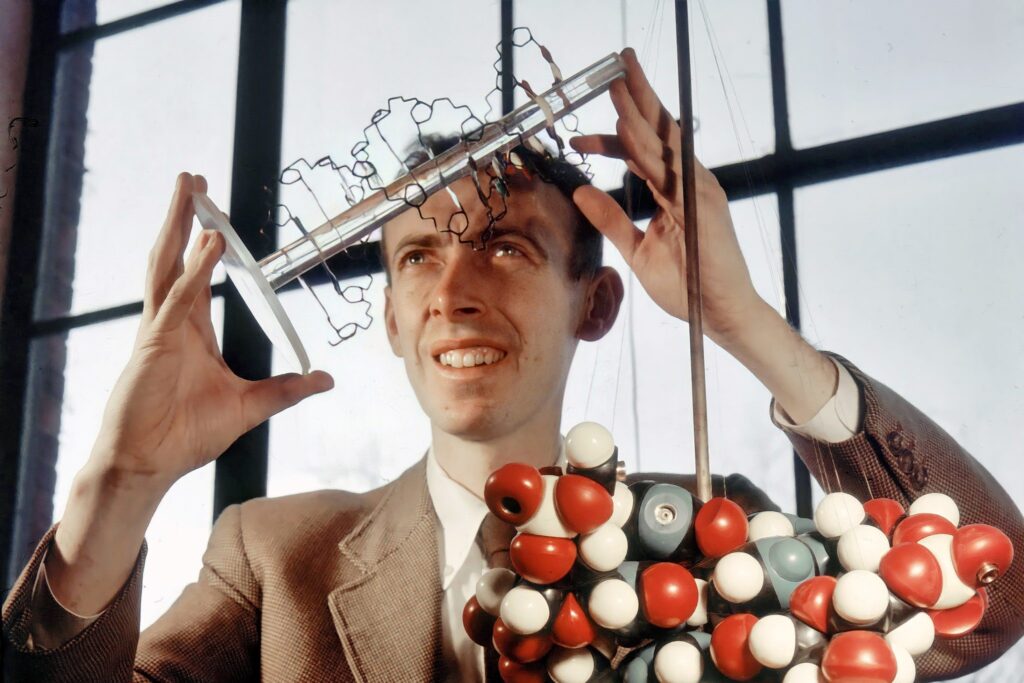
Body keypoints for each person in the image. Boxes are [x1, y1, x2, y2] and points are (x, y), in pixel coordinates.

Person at [3, 49, 1021, 682]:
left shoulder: (713, 539)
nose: (452, 290)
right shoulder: (274, 555)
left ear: (598, 298)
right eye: (415, 257)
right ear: (394, 320)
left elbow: (994, 596)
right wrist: (118, 485)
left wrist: (744, 320)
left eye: (504, 244)